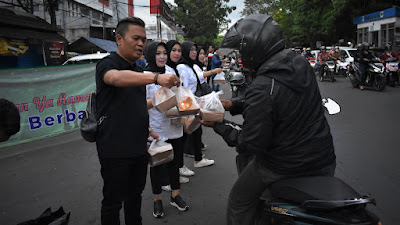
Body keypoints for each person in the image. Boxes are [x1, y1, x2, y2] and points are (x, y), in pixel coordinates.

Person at [198, 14, 336, 225]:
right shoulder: (300, 65)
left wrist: (219, 125)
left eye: (243, 51)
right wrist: (232, 104)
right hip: (323, 157)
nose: (242, 56)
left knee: (239, 200)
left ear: (256, 48)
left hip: (284, 164)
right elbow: (277, 102)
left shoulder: (263, 85)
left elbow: (251, 142)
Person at [95, 17, 179, 225]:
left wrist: (158, 108)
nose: (141, 43)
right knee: (113, 201)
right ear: (119, 39)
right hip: (114, 148)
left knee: (135, 197)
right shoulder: (108, 64)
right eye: (136, 38)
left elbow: (137, 104)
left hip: (139, 147)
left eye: (144, 39)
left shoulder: (138, 70)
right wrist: (156, 78)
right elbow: (114, 78)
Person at [144, 41, 189, 218]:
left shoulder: (170, 71)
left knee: (175, 164)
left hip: (174, 126)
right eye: (157, 53)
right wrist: (158, 99)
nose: (162, 57)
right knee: (157, 166)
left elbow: (179, 93)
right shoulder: (145, 76)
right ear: (150, 55)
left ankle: (175, 196)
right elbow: (140, 105)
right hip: (157, 130)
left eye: (164, 53)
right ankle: (157, 200)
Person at [177, 41, 216, 168]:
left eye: (195, 49)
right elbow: (183, 88)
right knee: (183, 136)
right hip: (188, 105)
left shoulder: (190, 66)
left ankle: (197, 159)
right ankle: (180, 166)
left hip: (194, 103)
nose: (194, 52)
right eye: (191, 50)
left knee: (195, 132)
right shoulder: (182, 67)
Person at [164, 40, 195, 185]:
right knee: (168, 147)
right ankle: (167, 179)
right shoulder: (165, 70)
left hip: (177, 110)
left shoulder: (174, 68)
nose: (177, 53)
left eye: (179, 50)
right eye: (173, 50)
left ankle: (174, 174)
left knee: (177, 145)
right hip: (167, 112)